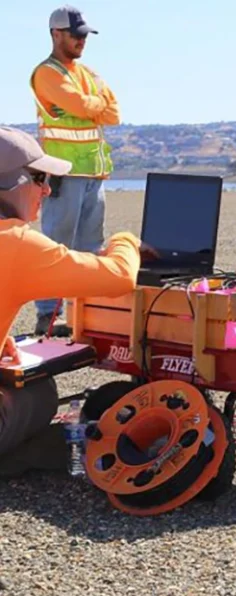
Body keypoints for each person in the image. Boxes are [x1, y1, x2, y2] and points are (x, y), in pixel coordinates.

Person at [0, 126, 141, 477]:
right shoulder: (16, 243)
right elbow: (119, 275)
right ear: (11, 182)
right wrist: (126, 240)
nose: (47, 189)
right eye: (39, 178)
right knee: (39, 392)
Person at [29, 5, 120, 337]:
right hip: (64, 174)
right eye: (76, 34)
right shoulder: (47, 73)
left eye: (85, 35)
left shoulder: (86, 73)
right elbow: (89, 106)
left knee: (89, 248)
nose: (82, 40)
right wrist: (93, 104)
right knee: (56, 245)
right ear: (56, 34)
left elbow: (114, 112)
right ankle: (46, 315)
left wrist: (91, 106)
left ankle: (84, 315)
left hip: (93, 174)